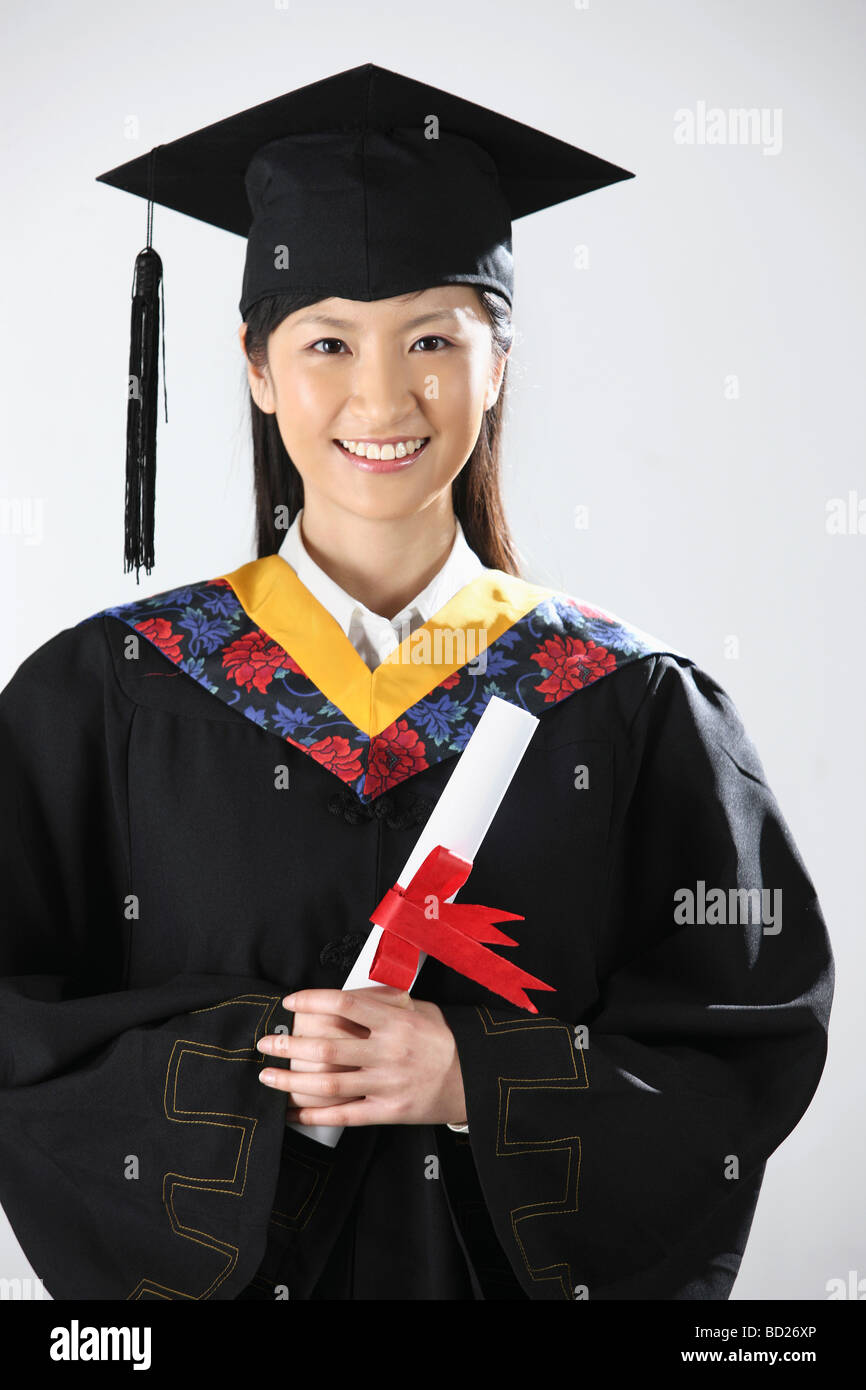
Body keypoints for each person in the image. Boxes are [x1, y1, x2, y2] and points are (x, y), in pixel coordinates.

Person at [0, 64, 833, 1302]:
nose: (382, 396)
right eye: (326, 340)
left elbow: (742, 1051)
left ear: (497, 360)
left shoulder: (630, 702)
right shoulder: (105, 697)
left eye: (434, 338)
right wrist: (253, 1068)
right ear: (255, 364)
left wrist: (472, 1077)